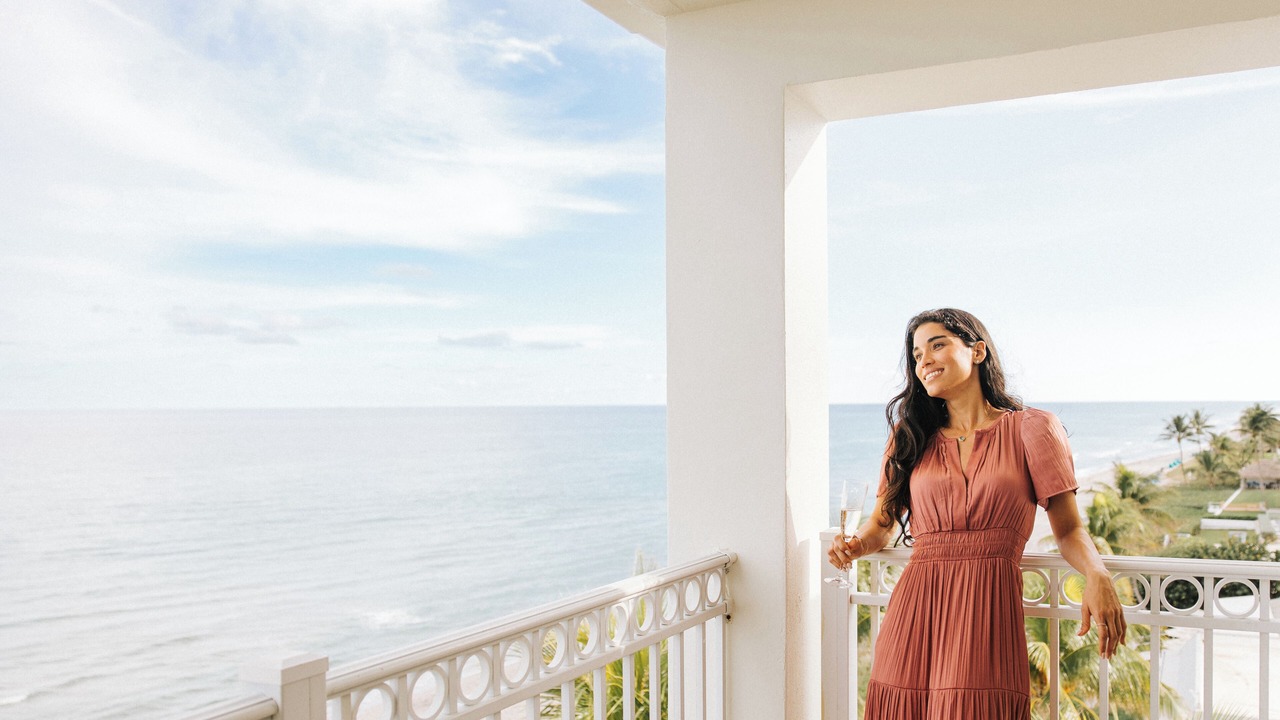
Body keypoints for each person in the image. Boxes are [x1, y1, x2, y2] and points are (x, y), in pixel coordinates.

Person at [827, 308, 1127, 719]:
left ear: (978, 351)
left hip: (987, 612)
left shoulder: (1032, 428)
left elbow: (1069, 528)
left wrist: (1097, 573)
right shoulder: (910, 437)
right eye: (916, 355)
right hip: (916, 607)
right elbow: (882, 523)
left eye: (937, 345)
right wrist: (857, 545)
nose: (924, 361)